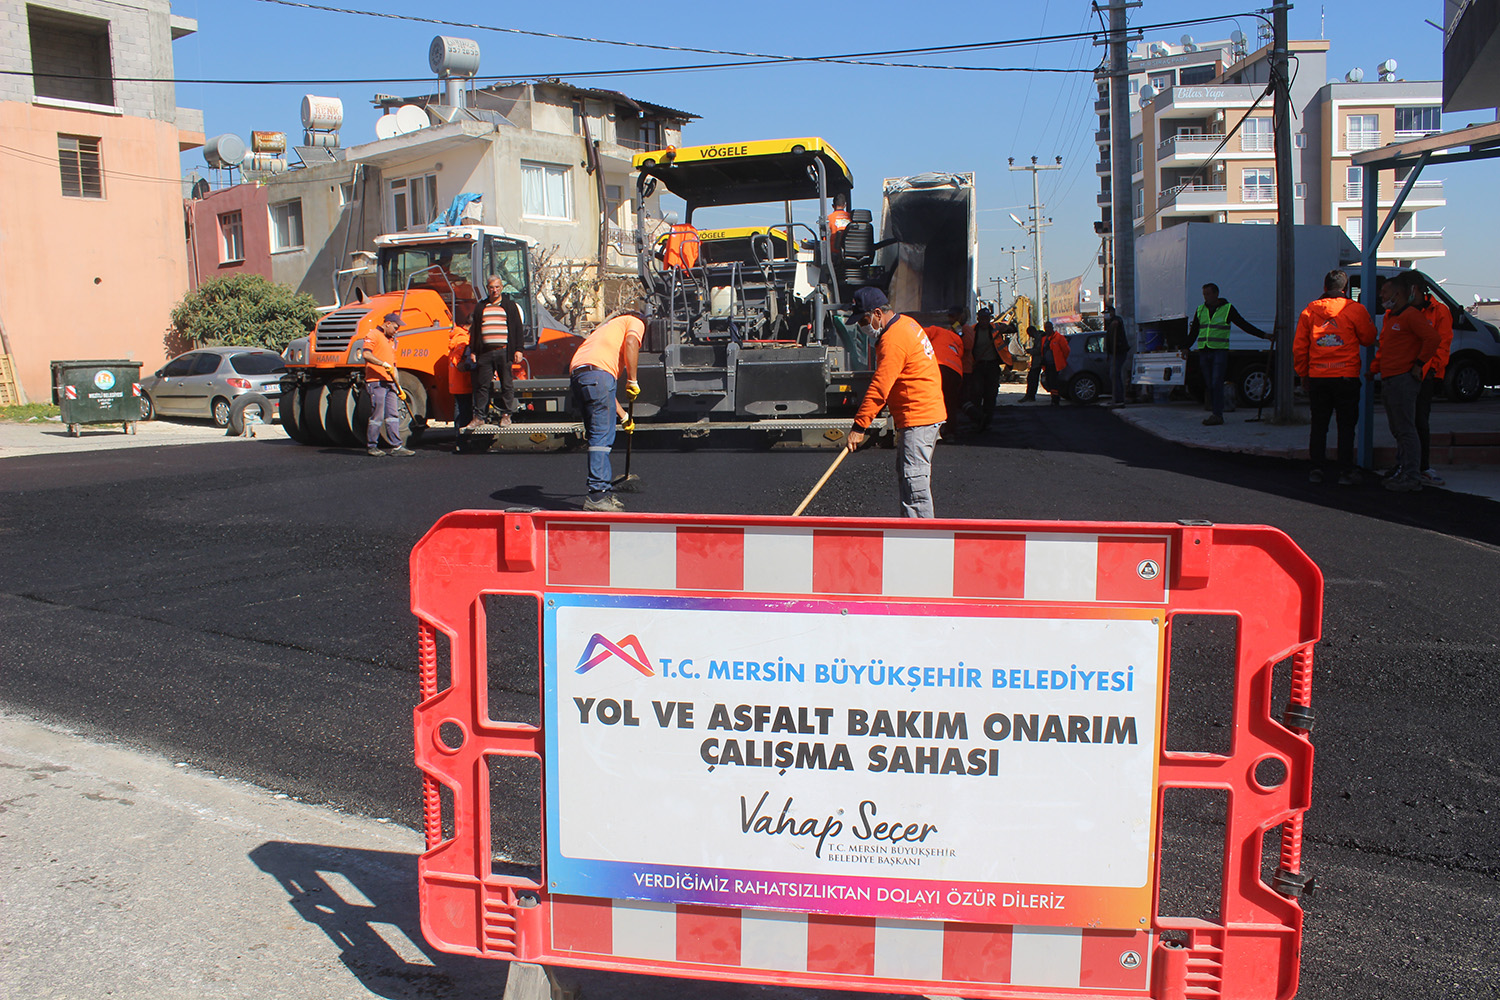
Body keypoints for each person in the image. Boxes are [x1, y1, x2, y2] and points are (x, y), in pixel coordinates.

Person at [845, 287, 945, 518]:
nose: (863, 326)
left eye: (864, 320)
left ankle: (920, 542)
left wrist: (859, 427)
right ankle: (910, 533)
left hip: (919, 416)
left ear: (878, 314)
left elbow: (880, 386)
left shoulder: (893, 340)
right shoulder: (906, 324)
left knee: (915, 484)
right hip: (922, 413)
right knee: (908, 475)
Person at [1293, 269, 1378, 485]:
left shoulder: (1309, 312)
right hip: (1346, 376)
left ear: (1324, 288)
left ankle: (1316, 469)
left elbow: (1300, 348)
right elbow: (1368, 338)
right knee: (1346, 426)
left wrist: (1303, 374)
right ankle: (1345, 472)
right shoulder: (1355, 310)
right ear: (1346, 289)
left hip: (1318, 377)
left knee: (1319, 425)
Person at [569, 311, 644, 511]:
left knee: (595, 436)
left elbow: (604, 390)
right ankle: (597, 496)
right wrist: (632, 380)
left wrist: (624, 416)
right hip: (598, 377)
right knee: (601, 438)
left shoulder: (604, 330)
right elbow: (631, 343)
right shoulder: (634, 321)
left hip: (579, 376)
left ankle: (602, 492)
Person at [1374, 272, 1441, 492]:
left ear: (1398, 293)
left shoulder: (1411, 315)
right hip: (1391, 379)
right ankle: (1404, 470)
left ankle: (1411, 475)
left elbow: (1433, 339)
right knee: (1399, 429)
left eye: (1385, 291)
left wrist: (1419, 364)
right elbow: (1387, 348)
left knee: (1406, 429)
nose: (1381, 295)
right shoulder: (1393, 317)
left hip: (1403, 380)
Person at [1189, 282, 1271, 425]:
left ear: (1216, 294)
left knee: (1216, 382)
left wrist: (1263, 335)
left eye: (1208, 294)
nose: (1206, 297)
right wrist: (1184, 347)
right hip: (1204, 351)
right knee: (1209, 384)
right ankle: (1215, 413)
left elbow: (1243, 324)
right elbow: (1194, 331)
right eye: (1204, 294)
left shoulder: (1227, 309)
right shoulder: (1200, 310)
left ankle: (1217, 415)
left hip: (1219, 351)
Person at [1413, 275, 1454, 487]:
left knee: (1420, 421)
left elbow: (1443, 344)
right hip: (1405, 374)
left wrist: (1434, 371)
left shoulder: (1440, 312)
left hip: (1424, 375)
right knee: (1404, 423)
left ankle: (1423, 466)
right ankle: (1407, 464)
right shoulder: (1402, 311)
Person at [466, 274, 521, 429]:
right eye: (491, 287)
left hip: (504, 351)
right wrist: (473, 351)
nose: (494, 290)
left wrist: (518, 350)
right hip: (485, 352)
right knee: (482, 385)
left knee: (506, 384)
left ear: (502, 288)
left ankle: (506, 415)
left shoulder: (509, 306)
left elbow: (517, 329)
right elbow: (475, 330)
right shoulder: (481, 306)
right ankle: (479, 417)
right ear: (487, 288)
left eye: (497, 287)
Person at [362, 312, 414, 457]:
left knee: (392, 414)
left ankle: (396, 446)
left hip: (389, 382)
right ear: (388, 323)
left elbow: (394, 365)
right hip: (376, 381)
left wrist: (399, 387)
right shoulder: (373, 335)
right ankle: (372, 446)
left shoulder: (391, 341)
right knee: (377, 415)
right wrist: (382, 363)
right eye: (396, 327)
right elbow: (366, 354)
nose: (397, 331)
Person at [923, 314, 965, 441]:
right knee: (950, 402)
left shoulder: (937, 330)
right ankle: (950, 431)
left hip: (938, 366)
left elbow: (920, 334)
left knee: (933, 399)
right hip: (955, 371)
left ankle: (933, 431)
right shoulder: (957, 339)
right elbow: (960, 354)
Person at [966, 308, 1002, 428]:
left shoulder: (995, 329)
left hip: (992, 366)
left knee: (990, 394)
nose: (984, 321)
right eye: (982, 318)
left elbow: (1012, 328)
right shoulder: (972, 330)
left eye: (987, 318)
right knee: (976, 393)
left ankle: (987, 420)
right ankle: (977, 419)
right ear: (978, 319)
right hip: (978, 366)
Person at [447, 322, 474, 434]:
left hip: (457, 383)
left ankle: (460, 440)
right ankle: (462, 441)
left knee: (460, 410)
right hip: (463, 383)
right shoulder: (463, 340)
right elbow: (458, 362)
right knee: (463, 413)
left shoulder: (457, 336)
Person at [1102, 300, 1131, 405]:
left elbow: (1118, 322)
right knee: (1114, 375)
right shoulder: (1109, 324)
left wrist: (1115, 323)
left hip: (1119, 352)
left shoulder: (1116, 320)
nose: (1106, 316)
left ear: (1112, 312)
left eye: (1107, 313)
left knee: (1114, 374)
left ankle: (1119, 398)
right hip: (1113, 353)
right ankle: (1117, 397)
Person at [1040, 321, 1071, 405]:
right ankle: (1053, 399)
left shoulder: (1059, 338)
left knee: (1055, 383)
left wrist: (1061, 360)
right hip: (1047, 365)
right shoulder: (1044, 339)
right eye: (1046, 328)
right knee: (1050, 382)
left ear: (1052, 328)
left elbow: (1066, 350)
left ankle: (1056, 400)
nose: (1047, 329)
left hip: (1056, 365)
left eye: (1049, 327)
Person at [1022, 326, 1044, 401]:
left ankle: (1030, 396)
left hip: (1038, 362)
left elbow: (1038, 350)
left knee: (1032, 379)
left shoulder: (1039, 338)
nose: (1030, 336)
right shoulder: (1039, 337)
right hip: (1037, 361)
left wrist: (1030, 351)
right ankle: (1030, 396)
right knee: (1032, 379)